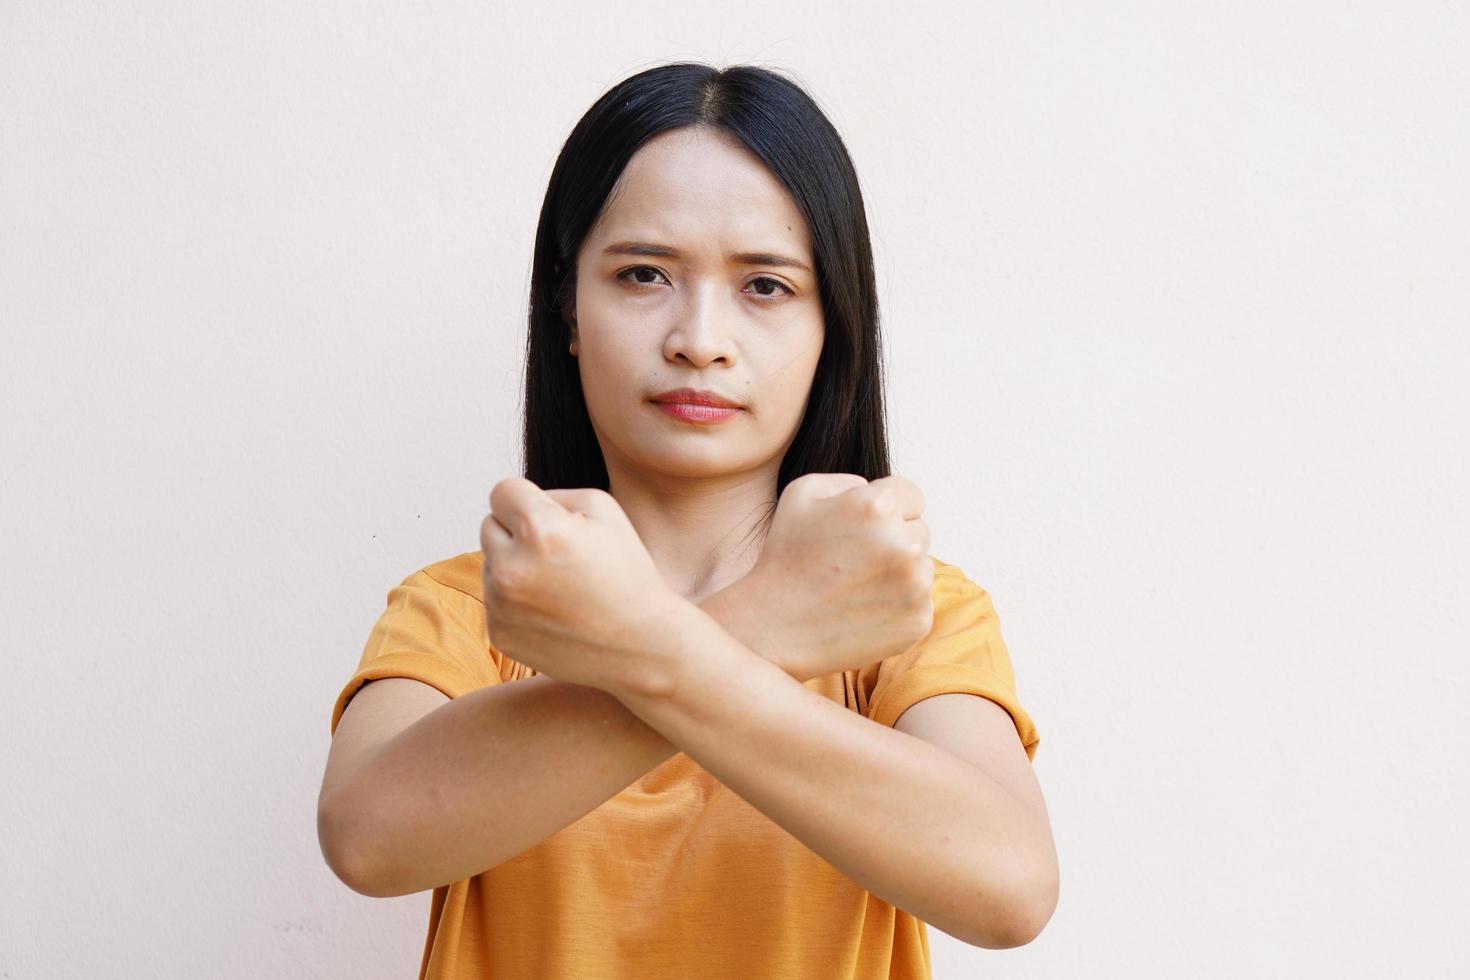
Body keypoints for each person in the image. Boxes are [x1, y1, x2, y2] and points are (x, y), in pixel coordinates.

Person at [317, 61, 1057, 979]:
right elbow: (367, 838)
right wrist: (776, 624)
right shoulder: (476, 605)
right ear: (568, 309)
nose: (699, 337)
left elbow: (1011, 887)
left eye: (766, 288)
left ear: (834, 329)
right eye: (642, 274)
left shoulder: (908, 607)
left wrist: (664, 648)